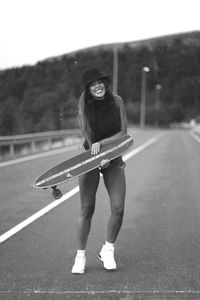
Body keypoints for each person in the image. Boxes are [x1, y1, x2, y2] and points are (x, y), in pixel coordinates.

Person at [71, 68, 127, 274]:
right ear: (88, 89)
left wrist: (104, 147)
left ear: (105, 83)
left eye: (100, 82)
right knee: (87, 209)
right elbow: (89, 138)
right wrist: (98, 156)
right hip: (90, 158)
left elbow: (123, 132)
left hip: (113, 155)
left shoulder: (117, 101)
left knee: (119, 207)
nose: (98, 86)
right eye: (92, 84)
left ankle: (108, 249)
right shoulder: (84, 107)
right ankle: (80, 257)